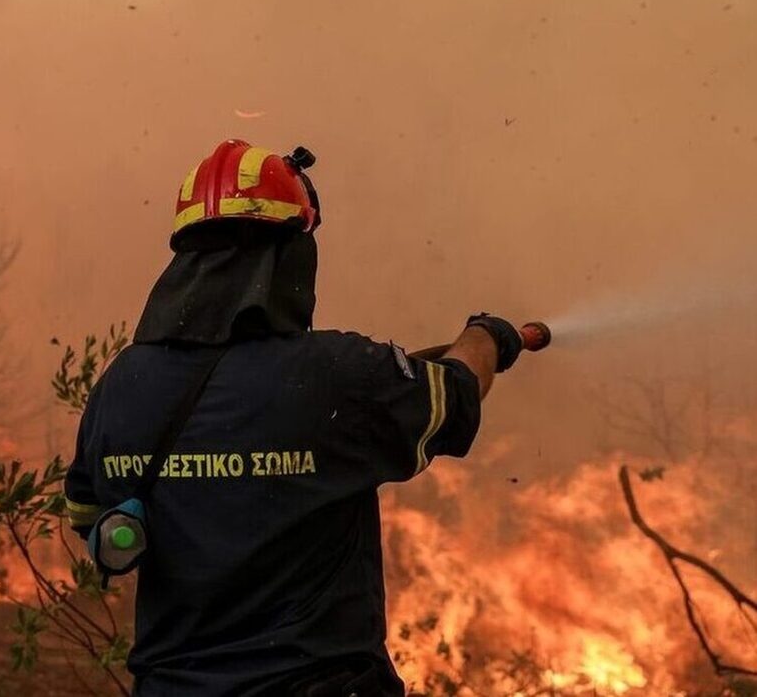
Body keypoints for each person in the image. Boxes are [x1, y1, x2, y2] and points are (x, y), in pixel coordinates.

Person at [63, 140, 527, 696]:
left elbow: (92, 518)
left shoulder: (121, 386)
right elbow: (454, 398)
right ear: (287, 258)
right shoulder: (336, 374)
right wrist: (486, 335)